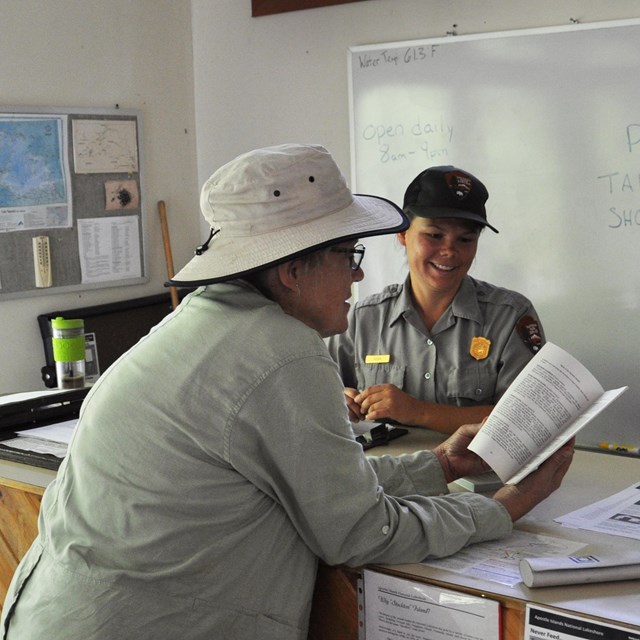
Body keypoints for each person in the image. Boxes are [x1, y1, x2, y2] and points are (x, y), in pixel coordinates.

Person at [0, 145, 572, 640]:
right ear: (293, 270)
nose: (356, 277)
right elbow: (361, 532)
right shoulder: (283, 351)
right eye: (348, 256)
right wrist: (499, 509)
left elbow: (316, 483)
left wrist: (441, 465)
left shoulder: (199, 322)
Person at [327, 165, 545, 435]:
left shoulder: (510, 317)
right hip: (384, 476)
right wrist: (340, 402)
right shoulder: (363, 320)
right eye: (434, 235)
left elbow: (527, 419)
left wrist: (417, 411)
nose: (449, 251)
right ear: (403, 234)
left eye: (465, 239)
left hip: (481, 476)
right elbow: (320, 401)